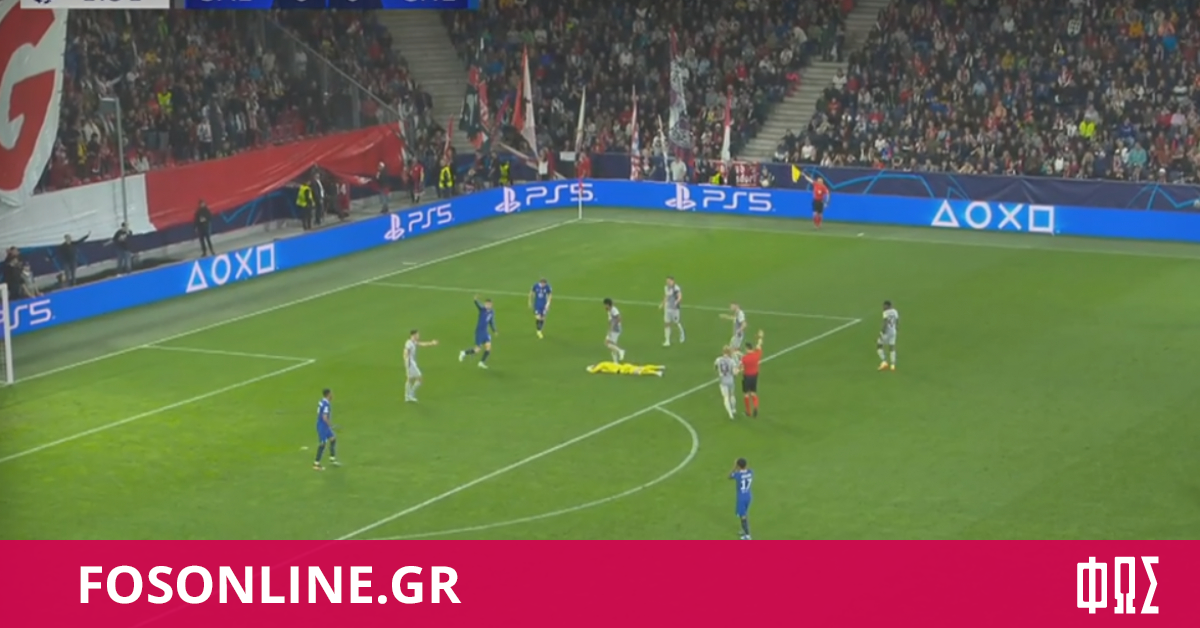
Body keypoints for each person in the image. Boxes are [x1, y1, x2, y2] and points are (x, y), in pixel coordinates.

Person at [458, 295, 496, 369]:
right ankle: (464, 353)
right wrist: (475, 300)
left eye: (489, 304)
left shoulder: (492, 312)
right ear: (485, 304)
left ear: (491, 305)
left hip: (485, 332)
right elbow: (478, 305)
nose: (488, 305)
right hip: (479, 332)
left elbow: (491, 321)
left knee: (488, 347)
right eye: (487, 304)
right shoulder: (482, 310)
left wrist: (494, 330)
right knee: (477, 350)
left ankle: (481, 362)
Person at [404, 329, 439, 403]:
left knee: (410, 379)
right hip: (410, 363)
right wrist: (407, 363)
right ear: (413, 335)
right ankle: (410, 394)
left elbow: (422, 344)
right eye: (417, 334)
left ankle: (407, 396)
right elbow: (405, 352)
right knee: (419, 379)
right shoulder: (409, 343)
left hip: (411, 363)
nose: (418, 336)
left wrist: (432, 343)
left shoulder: (413, 342)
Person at [313, 388, 339, 471]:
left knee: (333, 439)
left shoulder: (322, 401)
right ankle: (316, 464)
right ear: (328, 394)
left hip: (323, 425)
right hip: (323, 426)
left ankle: (332, 459)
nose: (332, 395)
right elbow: (324, 417)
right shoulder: (326, 404)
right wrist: (330, 425)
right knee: (322, 444)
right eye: (331, 394)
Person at [741, 330, 764, 417]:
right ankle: (755, 406)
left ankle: (748, 412)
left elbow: (741, 368)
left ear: (747, 349)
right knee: (753, 393)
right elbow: (759, 345)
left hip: (747, 377)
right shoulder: (757, 355)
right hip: (754, 376)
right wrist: (760, 336)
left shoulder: (744, 358)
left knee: (746, 395)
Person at [729, 458, 754, 540]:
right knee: (744, 513)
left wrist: (734, 467)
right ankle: (744, 530)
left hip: (741, 498)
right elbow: (747, 470)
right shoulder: (750, 472)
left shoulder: (738, 475)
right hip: (748, 496)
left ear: (738, 466)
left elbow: (730, 476)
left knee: (743, 516)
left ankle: (747, 535)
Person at [714, 346, 739, 420]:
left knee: (726, 397)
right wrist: (737, 371)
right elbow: (735, 373)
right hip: (730, 380)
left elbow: (715, 367)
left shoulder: (718, 359)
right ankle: (734, 409)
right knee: (732, 395)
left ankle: (730, 414)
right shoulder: (731, 361)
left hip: (723, 381)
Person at [660, 276, 685, 346]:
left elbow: (679, 296)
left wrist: (676, 302)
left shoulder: (676, 288)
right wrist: (662, 304)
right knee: (667, 323)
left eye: (669, 281)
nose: (668, 282)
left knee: (676, 322)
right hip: (667, 308)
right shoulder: (666, 288)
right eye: (667, 281)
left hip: (675, 309)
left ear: (673, 281)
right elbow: (666, 296)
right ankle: (667, 340)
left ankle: (682, 333)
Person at [878, 300, 900, 371]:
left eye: (884, 306)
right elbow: (897, 321)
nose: (883, 307)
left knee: (879, 345)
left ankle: (884, 361)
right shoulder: (895, 311)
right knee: (892, 347)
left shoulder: (885, 312)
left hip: (887, 332)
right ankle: (893, 365)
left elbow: (885, 322)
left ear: (888, 306)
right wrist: (896, 328)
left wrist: (882, 332)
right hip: (893, 331)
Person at [603, 298, 625, 363]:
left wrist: (613, 327)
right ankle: (615, 362)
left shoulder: (613, 310)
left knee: (607, 343)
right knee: (612, 345)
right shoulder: (610, 311)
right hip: (613, 329)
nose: (604, 307)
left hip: (615, 329)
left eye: (605, 305)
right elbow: (611, 321)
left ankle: (620, 351)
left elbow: (619, 318)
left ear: (608, 305)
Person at [586, 362, 665, 377]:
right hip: (624, 367)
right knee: (642, 368)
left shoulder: (601, 365)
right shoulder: (604, 364)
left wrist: (589, 369)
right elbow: (604, 370)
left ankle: (657, 372)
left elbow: (594, 371)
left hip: (624, 370)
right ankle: (658, 367)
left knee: (641, 371)